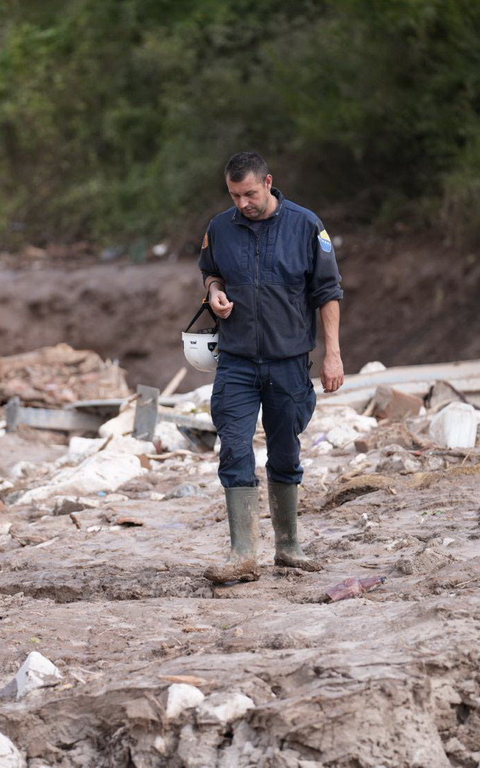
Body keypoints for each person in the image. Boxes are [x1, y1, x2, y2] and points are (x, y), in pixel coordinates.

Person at [199, 151, 344, 584]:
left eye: (249, 193)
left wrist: (333, 354)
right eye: (234, 195)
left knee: (285, 452)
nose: (243, 203)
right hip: (238, 361)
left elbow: (329, 292)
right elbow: (210, 272)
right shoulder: (219, 228)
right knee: (235, 449)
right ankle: (243, 553)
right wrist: (214, 292)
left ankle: (289, 548)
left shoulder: (306, 226)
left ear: (268, 182)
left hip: (289, 362)